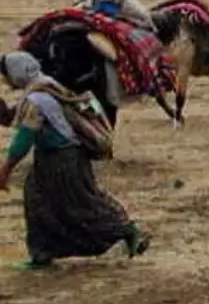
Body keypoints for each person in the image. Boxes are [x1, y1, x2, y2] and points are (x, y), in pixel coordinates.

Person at [0, 52, 150, 270]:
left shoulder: (36, 98)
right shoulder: (46, 85)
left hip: (62, 159)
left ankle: (128, 231)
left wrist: (6, 169)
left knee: (80, 205)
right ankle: (42, 253)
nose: (6, 80)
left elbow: (24, 138)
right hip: (59, 155)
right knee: (38, 199)